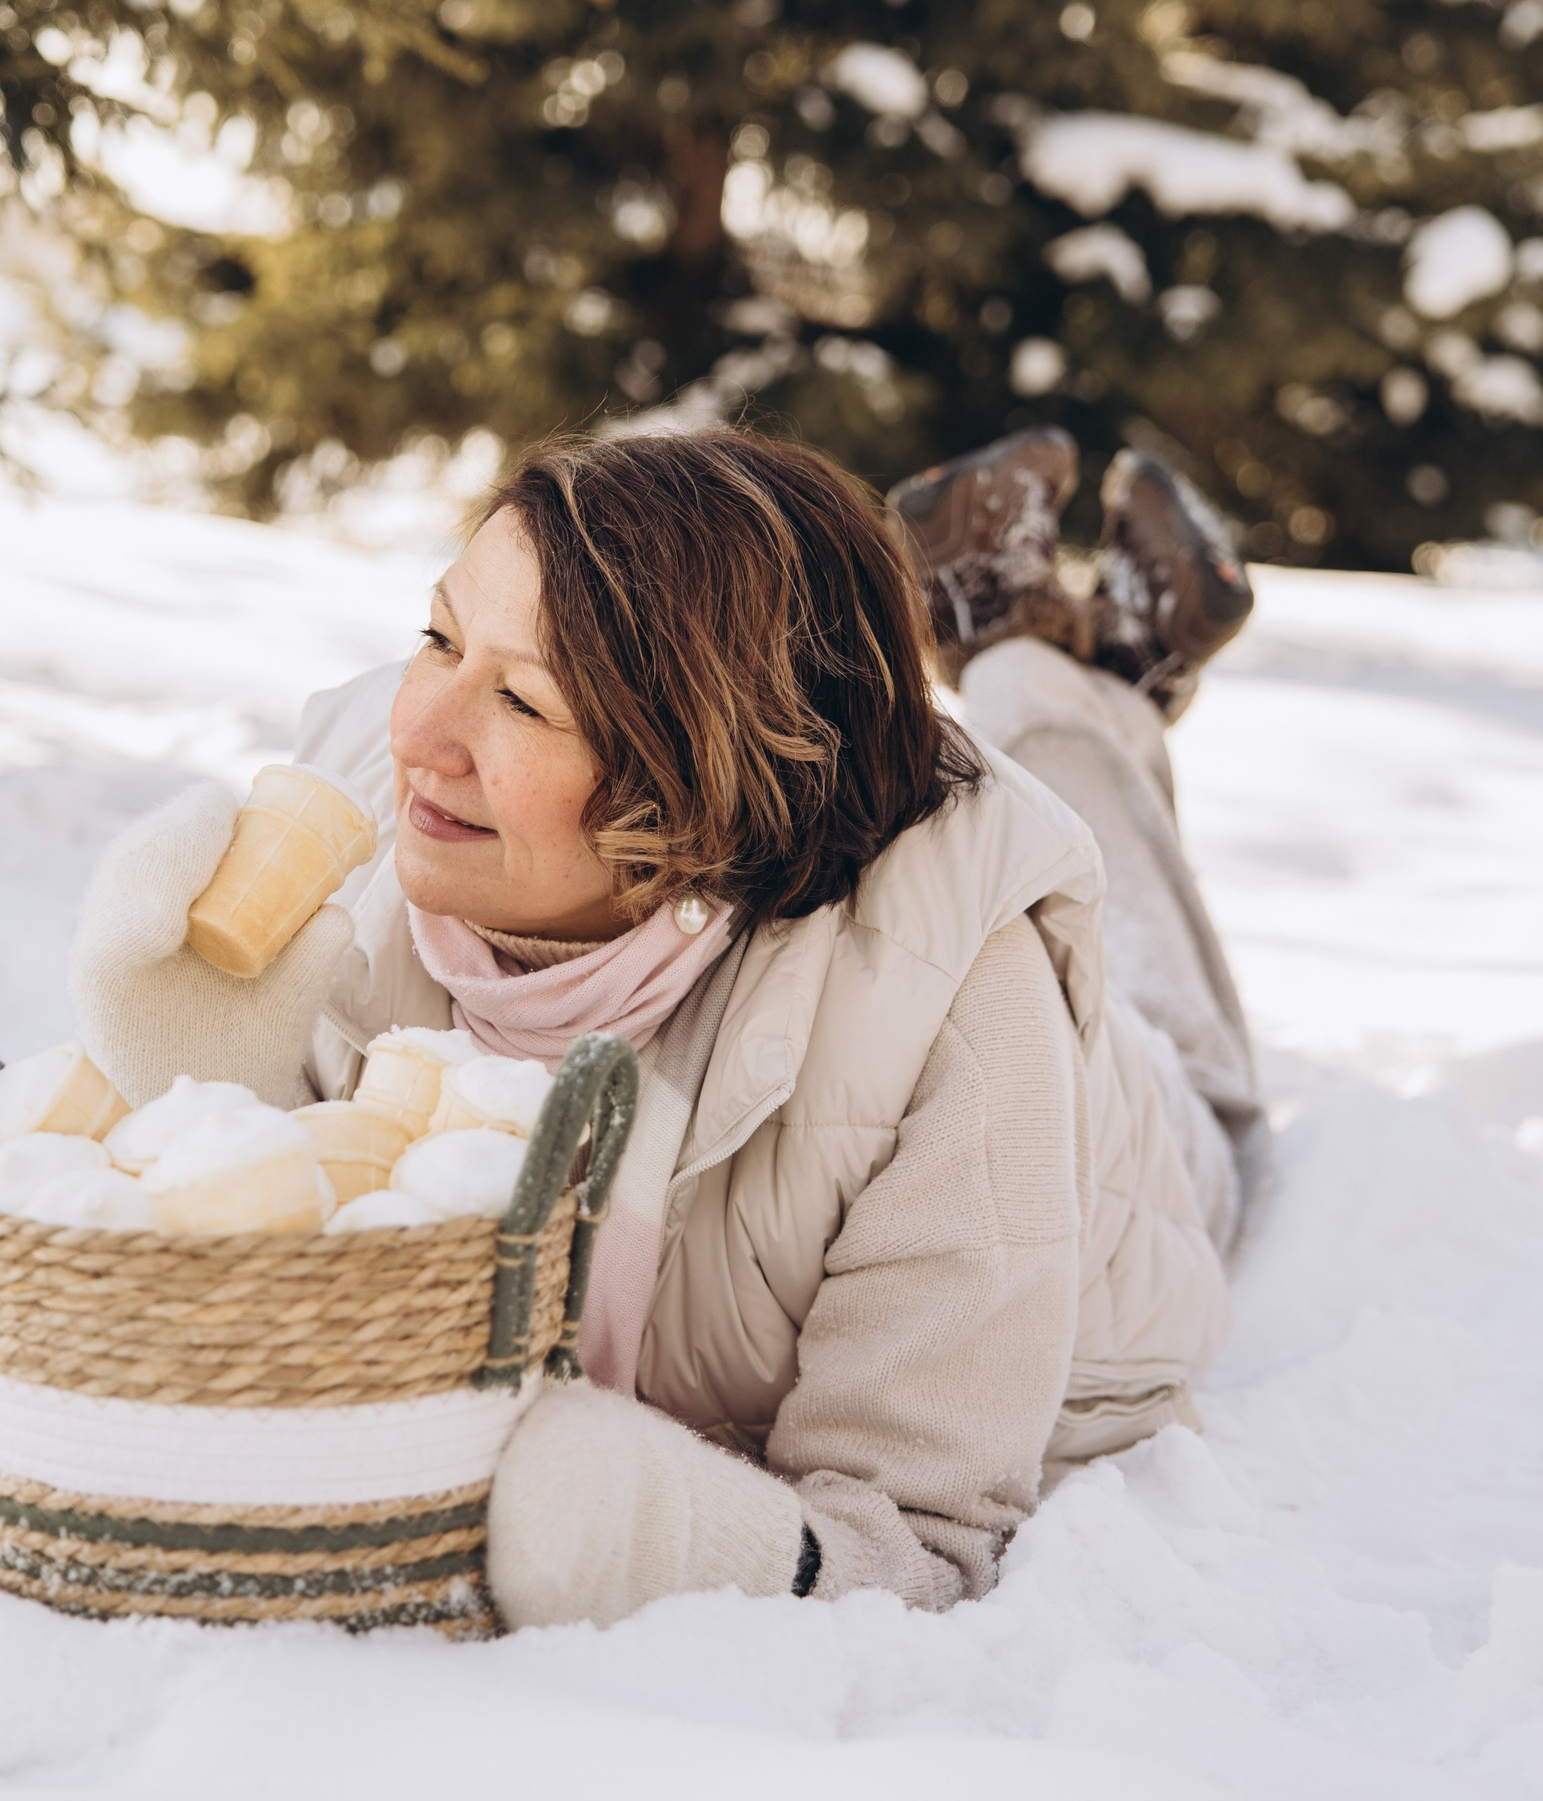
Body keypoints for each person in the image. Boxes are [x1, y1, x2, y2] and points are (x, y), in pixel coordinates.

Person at [71, 426, 1261, 1631]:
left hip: (1094, 1174)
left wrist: (678, 1537)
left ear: (697, 784)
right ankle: (1027, 635)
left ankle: (1044, 664)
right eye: (438, 637)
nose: (417, 736)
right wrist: (205, 1103)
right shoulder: (378, 810)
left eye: (523, 700)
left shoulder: (962, 1005)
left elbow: (922, 1538)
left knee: (1179, 1042)